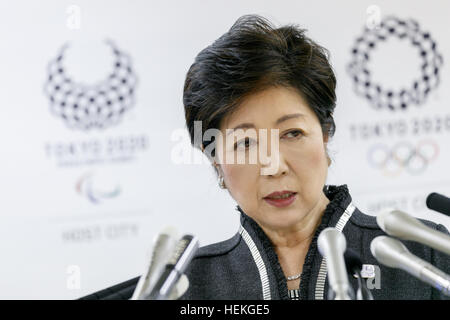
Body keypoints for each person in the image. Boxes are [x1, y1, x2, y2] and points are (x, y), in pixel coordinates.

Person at [80, 14, 450, 300]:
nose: (273, 165)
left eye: (292, 134)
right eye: (244, 144)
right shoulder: (186, 285)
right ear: (216, 163)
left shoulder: (423, 255)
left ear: (324, 136)